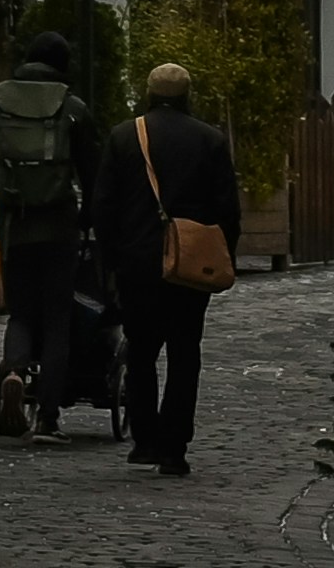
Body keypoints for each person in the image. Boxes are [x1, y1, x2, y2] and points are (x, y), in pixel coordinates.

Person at [86, 53, 244, 478]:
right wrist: (220, 253)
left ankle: (145, 440)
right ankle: (175, 447)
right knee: (184, 354)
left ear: (149, 95)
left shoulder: (124, 137)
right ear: (188, 96)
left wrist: (114, 258)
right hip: (191, 266)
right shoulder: (209, 140)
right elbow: (228, 208)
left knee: (141, 351)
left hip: (138, 262)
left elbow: (103, 206)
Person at [0, 29, 95, 438]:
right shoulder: (73, 108)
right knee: (58, 318)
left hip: (14, 226)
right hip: (59, 225)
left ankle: (14, 370)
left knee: (22, 312)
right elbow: (92, 173)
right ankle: (48, 416)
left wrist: (9, 203)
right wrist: (87, 217)